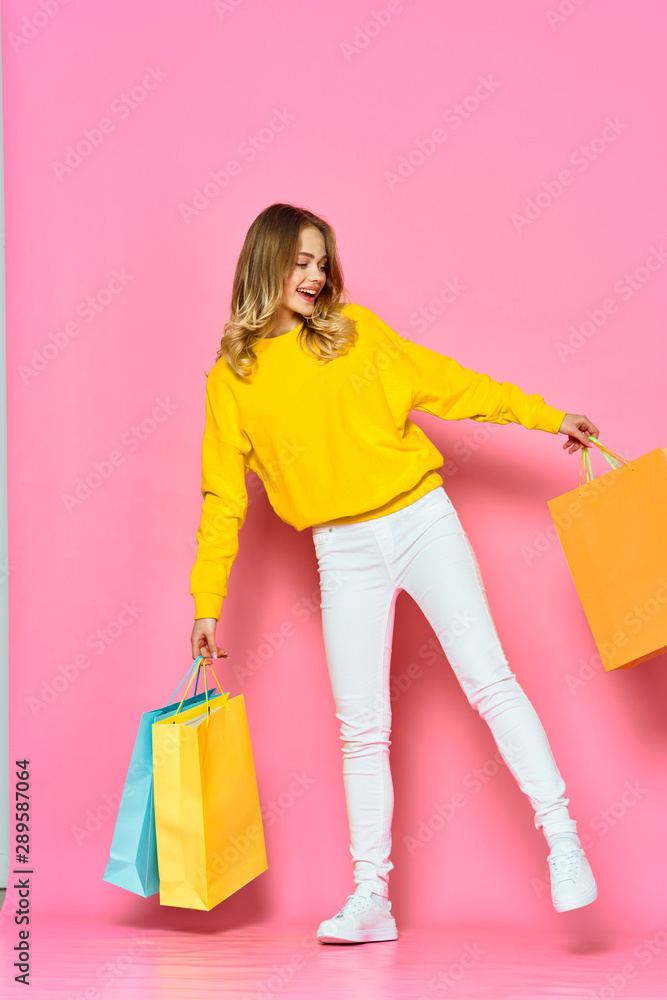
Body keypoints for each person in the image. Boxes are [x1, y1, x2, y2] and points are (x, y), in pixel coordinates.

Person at [189, 202, 599, 944]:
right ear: (264, 263)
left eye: (321, 262)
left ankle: (563, 844)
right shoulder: (233, 379)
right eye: (300, 261)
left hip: (420, 521)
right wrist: (206, 600)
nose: (314, 276)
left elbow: (451, 384)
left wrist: (545, 417)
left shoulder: (357, 333)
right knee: (360, 729)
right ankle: (370, 898)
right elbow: (222, 501)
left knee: (489, 680)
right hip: (340, 549)